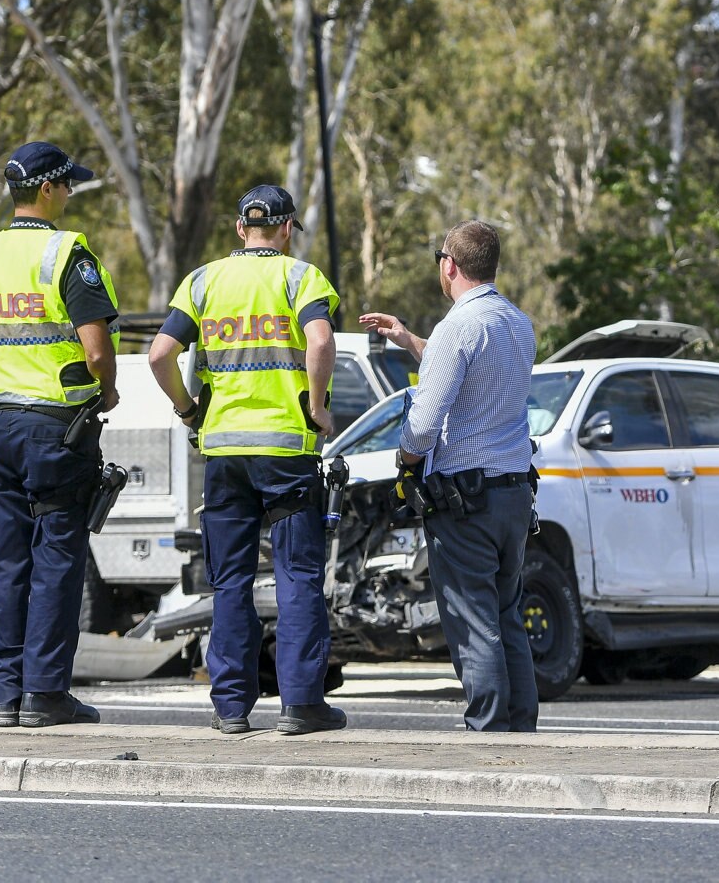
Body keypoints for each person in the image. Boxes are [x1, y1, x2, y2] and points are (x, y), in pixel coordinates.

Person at [148, 184, 346, 736]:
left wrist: (189, 411)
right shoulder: (299, 277)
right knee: (297, 576)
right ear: (285, 230)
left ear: (241, 229)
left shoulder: (203, 281)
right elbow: (322, 341)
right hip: (286, 450)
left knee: (230, 581)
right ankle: (301, 705)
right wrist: (317, 405)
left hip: (225, 452)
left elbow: (160, 354)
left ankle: (232, 708)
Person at [0, 141, 119, 728]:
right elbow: (97, 347)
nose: (71, 193)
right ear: (48, 189)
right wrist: (108, 389)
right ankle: (46, 695)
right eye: (68, 184)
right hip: (57, 427)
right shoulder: (67, 253)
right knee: (56, 560)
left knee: (4, 562)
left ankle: (6, 697)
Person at [359, 220, 539, 732]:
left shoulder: (456, 328)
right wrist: (409, 339)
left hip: (466, 500)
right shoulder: (516, 322)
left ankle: (486, 727)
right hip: (512, 493)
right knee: (507, 614)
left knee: (472, 620)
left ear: (449, 264)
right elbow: (474, 375)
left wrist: (406, 463)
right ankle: (521, 726)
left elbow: (425, 418)